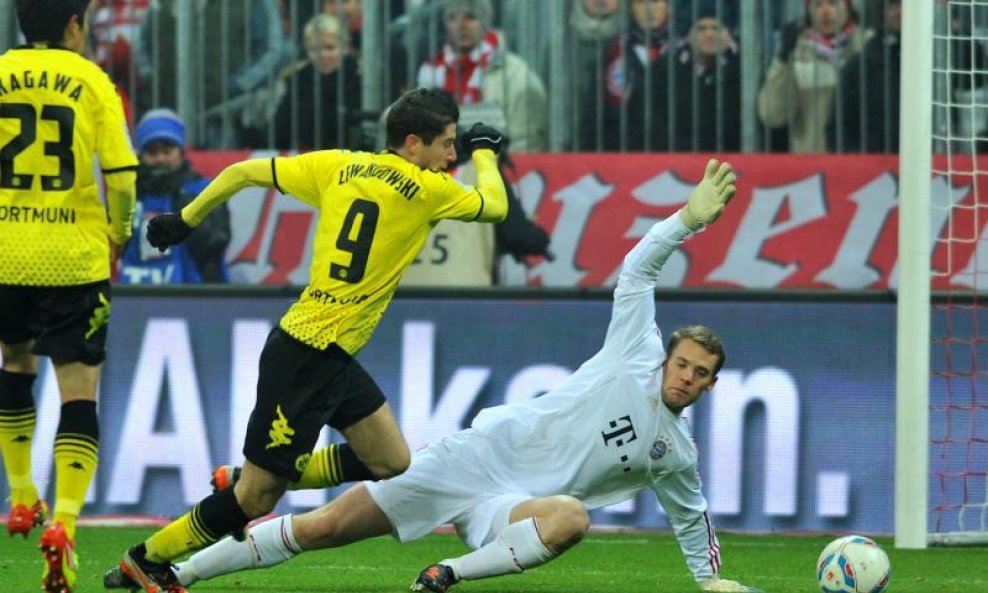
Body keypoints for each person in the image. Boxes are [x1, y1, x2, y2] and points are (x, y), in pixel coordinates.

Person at [107, 159, 761, 593]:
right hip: (470, 462)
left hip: (511, 511)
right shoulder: (632, 352)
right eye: (681, 362)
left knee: (570, 517)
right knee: (321, 528)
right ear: (667, 355)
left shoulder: (675, 452)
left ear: (707, 386)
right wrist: (687, 221)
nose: (684, 375)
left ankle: (443, 573)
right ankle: (180, 574)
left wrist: (711, 583)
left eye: (699, 373)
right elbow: (639, 269)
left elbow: (691, 516)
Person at [106, 88, 508, 593]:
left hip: (327, 352)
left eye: (458, 146)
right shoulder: (426, 189)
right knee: (256, 501)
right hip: (307, 355)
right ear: (412, 144)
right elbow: (494, 206)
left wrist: (185, 219)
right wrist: (487, 151)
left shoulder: (339, 166)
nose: (453, 156)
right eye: (447, 144)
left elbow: (241, 173)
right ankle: (146, 559)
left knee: (390, 460)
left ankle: (251, 472)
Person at [0, 1, 138, 592]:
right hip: (73, 258)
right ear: (75, 24)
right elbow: (124, 172)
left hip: (6, 252)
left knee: (13, 364)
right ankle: (64, 524)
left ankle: (21, 494)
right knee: (78, 391)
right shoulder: (92, 81)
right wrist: (120, 232)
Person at [417, 0, 548, 152]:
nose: (461, 25)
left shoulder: (517, 76)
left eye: (471, 17)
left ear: (485, 21)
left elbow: (525, 146)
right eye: (453, 17)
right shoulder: (431, 72)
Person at [119, 109, 231, 284]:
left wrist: (184, 207)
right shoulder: (129, 194)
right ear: (140, 156)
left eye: (167, 150)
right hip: (136, 300)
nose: (160, 159)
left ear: (181, 151)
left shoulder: (204, 189)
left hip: (195, 299)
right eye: (152, 152)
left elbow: (215, 243)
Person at [757, 0, 872, 154]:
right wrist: (783, 59)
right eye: (818, 5)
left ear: (849, 7)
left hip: (865, 165)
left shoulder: (868, 45)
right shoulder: (797, 51)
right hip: (812, 163)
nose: (825, 12)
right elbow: (772, 115)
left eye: (833, 3)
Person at [653, 7, 740, 152]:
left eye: (716, 28)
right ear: (688, 36)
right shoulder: (664, 71)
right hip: (681, 159)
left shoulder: (744, 69)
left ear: (729, 35)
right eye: (701, 29)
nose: (709, 34)